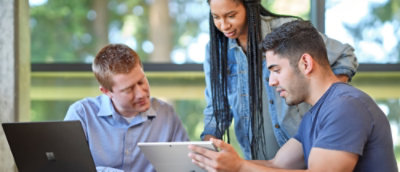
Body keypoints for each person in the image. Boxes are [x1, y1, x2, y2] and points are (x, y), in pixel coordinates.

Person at [189, 20, 397, 172]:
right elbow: (275, 165)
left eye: (276, 70)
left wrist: (240, 167)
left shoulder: (346, 106)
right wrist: (225, 163)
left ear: (305, 64)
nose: (271, 81)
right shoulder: (312, 118)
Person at [201, 0, 359, 160]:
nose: (224, 25)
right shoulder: (215, 51)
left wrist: (327, 104)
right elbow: (216, 107)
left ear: (249, 6)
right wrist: (206, 147)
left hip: (306, 153)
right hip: (257, 162)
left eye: (231, 15)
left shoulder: (286, 31)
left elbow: (345, 56)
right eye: (216, 17)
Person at [64, 44, 189, 172]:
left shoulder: (166, 114)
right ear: (107, 92)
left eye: (141, 82)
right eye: (128, 90)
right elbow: (67, 168)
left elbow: (186, 167)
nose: (141, 94)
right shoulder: (82, 114)